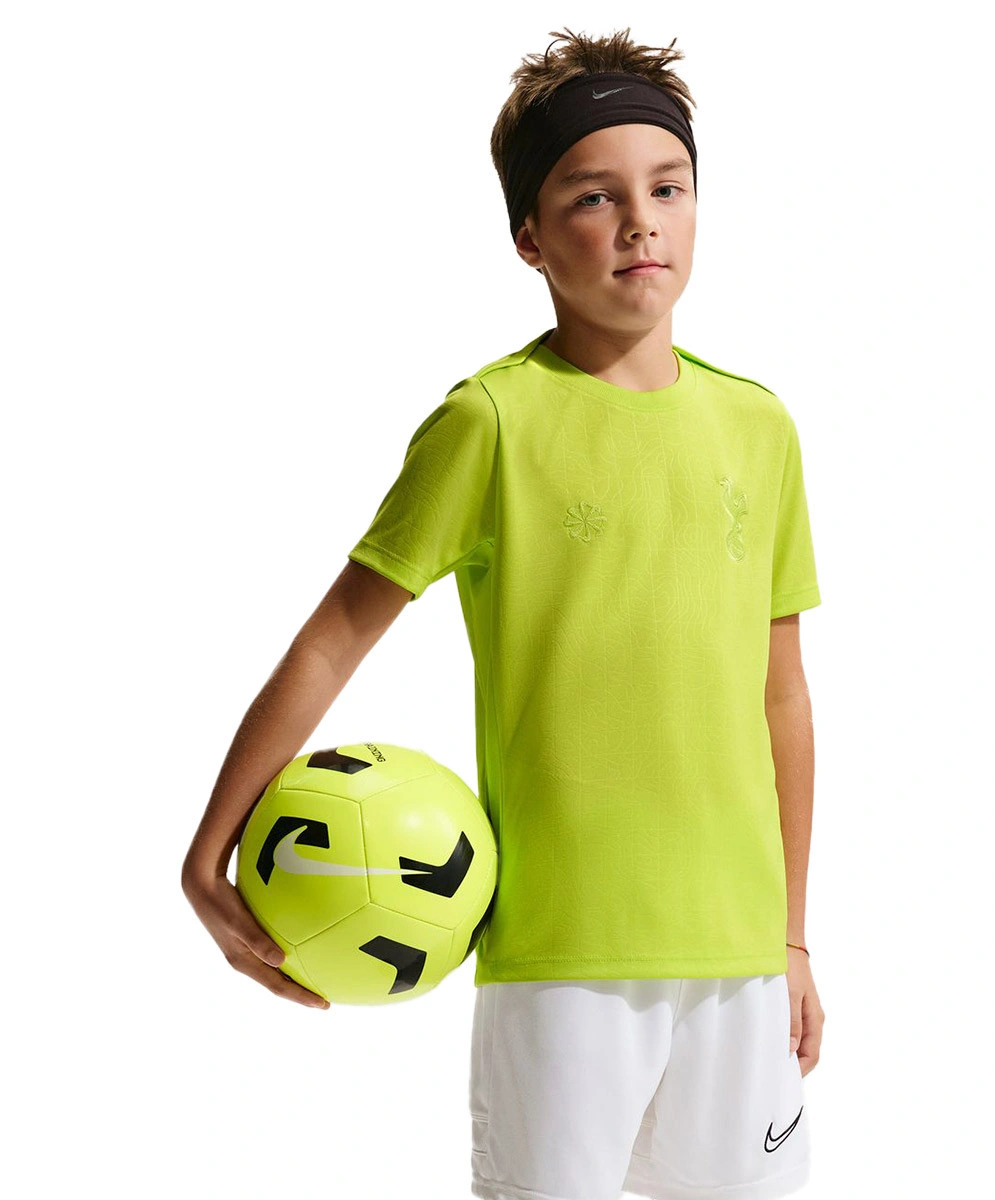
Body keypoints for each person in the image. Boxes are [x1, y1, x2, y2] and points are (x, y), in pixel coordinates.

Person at [182, 24, 826, 1200]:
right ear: (530, 235)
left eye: (668, 187)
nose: (640, 222)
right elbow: (336, 636)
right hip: (559, 957)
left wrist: (788, 934)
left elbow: (779, 692)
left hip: (739, 959)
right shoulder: (489, 422)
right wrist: (209, 851)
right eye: (594, 196)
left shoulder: (760, 428)